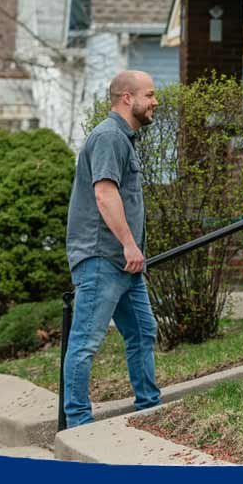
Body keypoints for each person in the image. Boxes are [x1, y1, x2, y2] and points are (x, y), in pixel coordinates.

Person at [63, 70, 162, 427]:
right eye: (149, 95)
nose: (155, 102)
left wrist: (130, 251)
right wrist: (129, 244)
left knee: (142, 332)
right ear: (126, 98)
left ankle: (149, 406)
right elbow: (105, 195)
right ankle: (77, 422)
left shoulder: (124, 138)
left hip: (124, 262)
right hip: (102, 258)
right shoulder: (108, 137)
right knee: (86, 341)